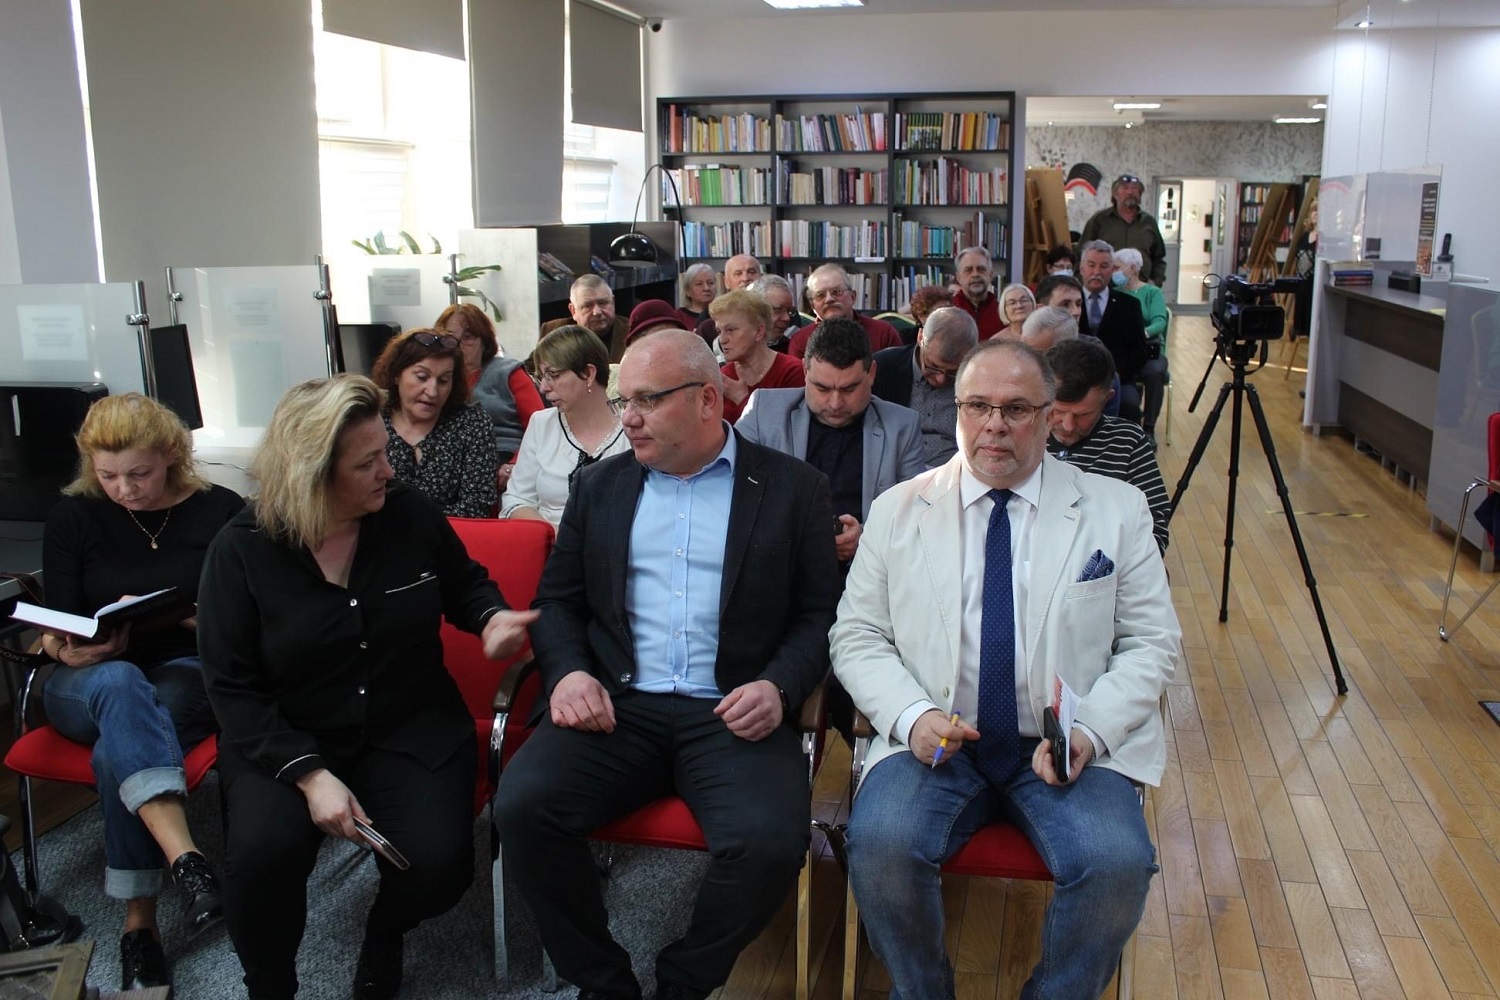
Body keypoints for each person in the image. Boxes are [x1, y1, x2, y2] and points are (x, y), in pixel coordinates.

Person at [494, 329, 841, 1000]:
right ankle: (602, 983)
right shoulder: (600, 486)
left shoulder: (793, 489)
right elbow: (558, 601)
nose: (627, 418)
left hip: (731, 708)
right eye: (623, 401)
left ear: (708, 400)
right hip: (617, 705)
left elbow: (820, 614)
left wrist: (778, 685)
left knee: (770, 844)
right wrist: (568, 673)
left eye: (648, 401)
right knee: (524, 807)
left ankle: (683, 983)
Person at [832, 338, 1179, 1000]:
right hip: (938, 738)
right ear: (956, 410)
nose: (995, 425)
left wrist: (1090, 731)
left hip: (1063, 745)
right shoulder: (899, 508)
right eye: (978, 406)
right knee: (879, 846)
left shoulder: (1116, 509)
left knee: (1117, 864)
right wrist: (913, 717)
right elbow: (858, 634)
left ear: (1049, 417)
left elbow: (1151, 642)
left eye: (1016, 408)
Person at [197, 374, 537, 1000]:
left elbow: (465, 584)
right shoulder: (241, 550)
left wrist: (491, 617)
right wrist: (309, 775)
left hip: (408, 722)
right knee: (263, 857)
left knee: (438, 867)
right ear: (312, 474)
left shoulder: (405, 513)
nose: (390, 469)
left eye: (385, 451)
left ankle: (387, 929)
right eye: (367, 462)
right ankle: (270, 985)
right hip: (286, 733)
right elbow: (232, 686)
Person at [37, 393, 243, 991]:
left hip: (184, 667)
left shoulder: (220, 510)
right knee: (120, 681)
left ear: (172, 455)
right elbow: (56, 625)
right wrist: (66, 650)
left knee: (116, 750)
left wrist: (192, 615)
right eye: (108, 476)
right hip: (87, 678)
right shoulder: (74, 516)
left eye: (139, 474)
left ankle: (140, 925)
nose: (124, 490)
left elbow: (251, 618)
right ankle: (187, 859)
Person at [736, 317, 925, 566]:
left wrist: (865, 538)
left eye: (848, 389)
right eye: (822, 388)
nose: (835, 403)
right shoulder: (764, 411)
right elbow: (734, 491)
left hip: (860, 568)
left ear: (871, 374)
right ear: (805, 372)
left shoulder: (901, 426)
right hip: (779, 564)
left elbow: (913, 516)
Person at [1047, 338, 1171, 555]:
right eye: (1057, 411)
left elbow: (1154, 529)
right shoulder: (1021, 437)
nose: (1068, 425)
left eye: (1083, 414)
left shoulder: (1129, 442)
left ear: (1107, 399)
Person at [501, 325, 630, 527]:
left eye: (553, 374)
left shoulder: (632, 430)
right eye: (541, 377)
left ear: (588, 373)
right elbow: (516, 500)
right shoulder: (541, 424)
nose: (544, 388)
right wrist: (557, 535)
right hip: (550, 542)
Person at [372, 328, 498, 518]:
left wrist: (416, 524)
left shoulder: (472, 423)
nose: (432, 391)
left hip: (452, 533)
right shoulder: (371, 420)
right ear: (397, 374)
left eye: (443, 380)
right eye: (422, 377)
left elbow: (477, 506)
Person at [436, 303, 544, 494]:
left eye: (468, 337)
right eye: (450, 337)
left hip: (504, 457)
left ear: (484, 341)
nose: (459, 344)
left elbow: (541, 426)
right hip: (452, 461)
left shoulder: (508, 372)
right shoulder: (436, 379)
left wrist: (516, 463)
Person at [872, 305, 978, 468]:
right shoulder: (884, 368)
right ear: (920, 337)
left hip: (957, 472)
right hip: (894, 471)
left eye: (953, 372)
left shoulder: (977, 379)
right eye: (932, 367)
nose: (941, 379)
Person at [1076, 240, 1150, 427]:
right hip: (1074, 377)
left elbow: (1140, 350)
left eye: (1104, 266)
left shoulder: (1129, 305)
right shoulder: (1068, 302)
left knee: (1129, 405)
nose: (1097, 272)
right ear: (1081, 268)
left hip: (1119, 378)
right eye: (1091, 265)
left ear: (1112, 270)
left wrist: (1117, 374)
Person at [714, 288, 805, 423]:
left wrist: (742, 399)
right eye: (719, 331)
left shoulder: (792, 372)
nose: (722, 340)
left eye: (730, 330)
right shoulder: (724, 376)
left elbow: (786, 430)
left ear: (759, 331)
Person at [1114, 246, 1171, 444]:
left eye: (1117, 267)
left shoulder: (1152, 292)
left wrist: (1141, 333)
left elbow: (1159, 322)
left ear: (1132, 268)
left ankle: (1149, 427)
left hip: (1149, 349)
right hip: (1124, 350)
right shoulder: (1114, 292)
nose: (1113, 272)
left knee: (1155, 372)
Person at [787, 264, 903, 358]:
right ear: (813, 306)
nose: (829, 299)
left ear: (853, 297)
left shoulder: (884, 333)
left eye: (837, 292)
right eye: (820, 295)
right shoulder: (800, 341)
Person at [1080, 173, 1167, 285]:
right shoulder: (1099, 220)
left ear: (1140, 194)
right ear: (1115, 194)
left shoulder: (1149, 222)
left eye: (1135, 188)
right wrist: (1083, 283)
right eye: (1125, 188)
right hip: (1107, 288)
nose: (1130, 192)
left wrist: (1155, 281)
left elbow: (1159, 258)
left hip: (1141, 288)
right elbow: (1081, 253)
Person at [541, 275, 631, 363]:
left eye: (603, 303)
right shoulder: (551, 331)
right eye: (587, 306)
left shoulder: (632, 332)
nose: (597, 312)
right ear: (573, 310)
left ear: (613, 302)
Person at [695, 254, 765, 348]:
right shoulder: (708, 319)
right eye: (738, 274)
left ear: (761, 277)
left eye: (751, 272)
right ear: (726, 282)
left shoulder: (773, 311)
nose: (745, 278)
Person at [950, 246, 1001, 341]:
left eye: (981, 269)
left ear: (990, 275)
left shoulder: (1002, 312)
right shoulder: (948, 310)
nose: (975, 274)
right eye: (968, 270)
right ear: (959, 278)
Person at [748, 273, 803, 352]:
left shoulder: (793, 350)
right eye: (778, 310)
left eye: (789, 311)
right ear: (754, 310)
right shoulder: (733, 347)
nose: (787, 318)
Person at [678, 262, 718, 328]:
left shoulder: (724, 314)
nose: (706, 288)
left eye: (710, 283)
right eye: (699, 284)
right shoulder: (678, 317)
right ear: (688, 290)